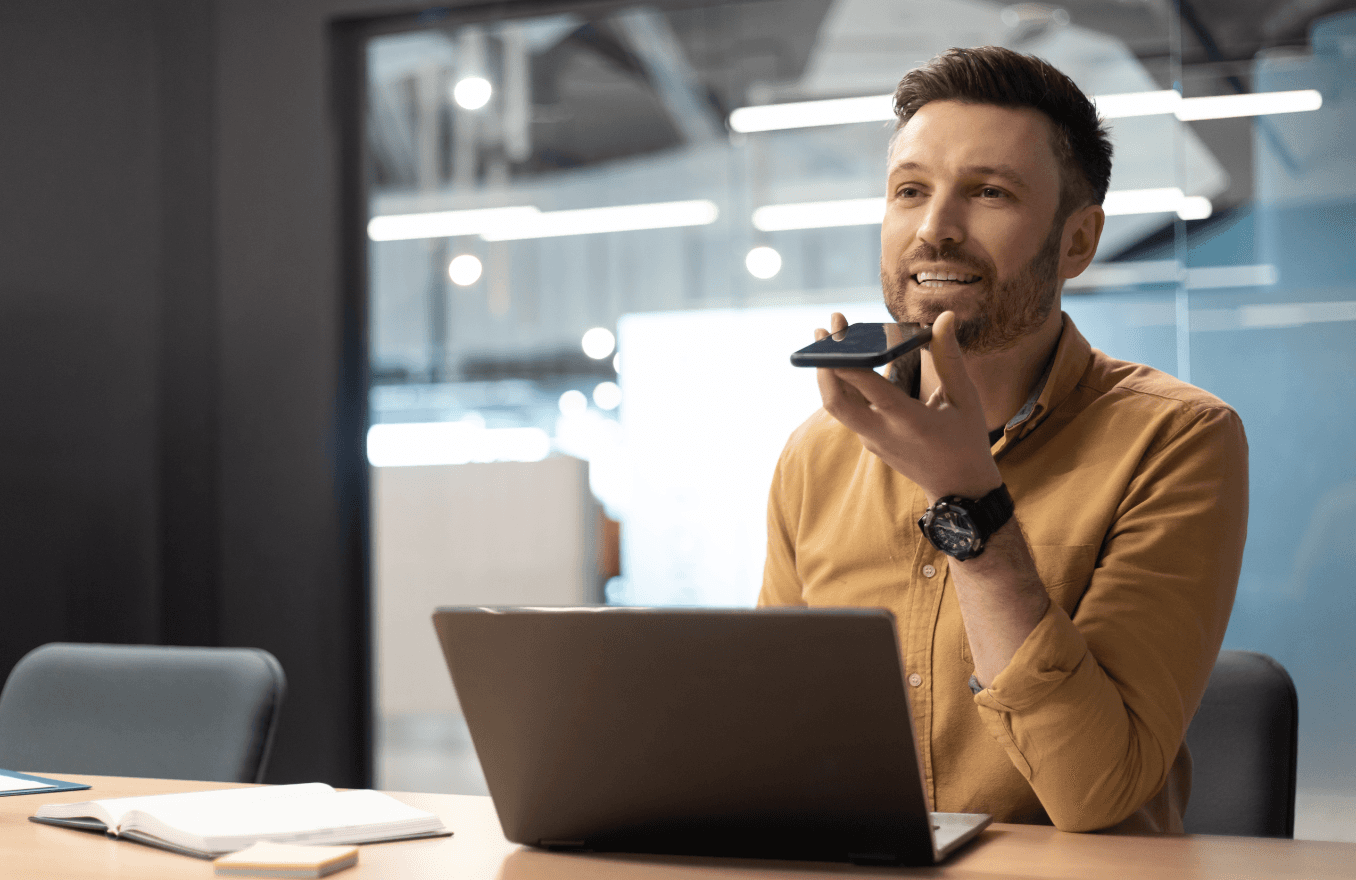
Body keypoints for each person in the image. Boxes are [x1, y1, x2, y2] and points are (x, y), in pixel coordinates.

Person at [758, 46, 1248, 834]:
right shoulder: (819, 451)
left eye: (989, 193)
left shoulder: (1177, 441)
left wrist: (971, 507)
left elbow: (1094, 792)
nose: (934, 229)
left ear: (1078, 242)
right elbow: (771, 736)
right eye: (909, 191)